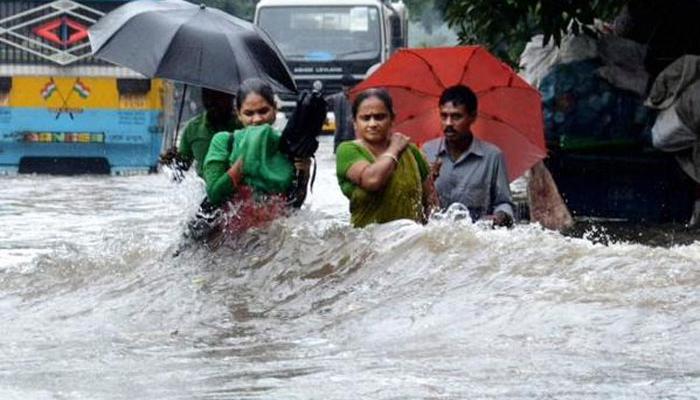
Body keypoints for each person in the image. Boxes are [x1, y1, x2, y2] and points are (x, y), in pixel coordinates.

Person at [201, 79, 312, 237]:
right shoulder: (225, 142)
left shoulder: (286, 147)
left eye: (263, 111)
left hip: (268, 239)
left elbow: (293, 205)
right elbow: (214, 194)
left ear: (274, 109)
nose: (257, 119)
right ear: (239, 114)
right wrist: (243, 162)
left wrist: (304, 174)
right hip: (226, 240)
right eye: (249, 113)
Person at [336, 88, 438, 228]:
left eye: (380, 117)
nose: (373, 124)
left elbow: (431, 202)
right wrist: (394, 149)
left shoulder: (411, 152)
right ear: (355, 122)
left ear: (392, 119)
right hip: (368, 244)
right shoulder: (347, 150)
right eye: (365, 118)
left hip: (411, 243)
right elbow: (372, 180)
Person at [422, 84, 514, 227]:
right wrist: (429, 181)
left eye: (456, 116)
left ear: (472, 117)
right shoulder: (428, 151)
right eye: (444, 116)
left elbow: (504, 203)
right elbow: (416, 202)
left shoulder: (492, 156)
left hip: (477, 236)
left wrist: (499, 216)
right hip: (437, 237)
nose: (448, 123)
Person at [161, 87, 242, 177]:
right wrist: (170, 162)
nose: (213, 102)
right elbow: (178, 173)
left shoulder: (243, 126)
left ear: (231, 99)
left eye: (220, 98)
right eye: (208, 97)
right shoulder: (193, 129)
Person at [326, 73, 356, 152]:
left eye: (349, 89)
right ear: (342, 87)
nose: (347, 91)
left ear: (354, 87)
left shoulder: (359, 98)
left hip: (354, 138)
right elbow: (321, 104)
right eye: (345, 89)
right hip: (340, 137)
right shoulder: (336, 98)